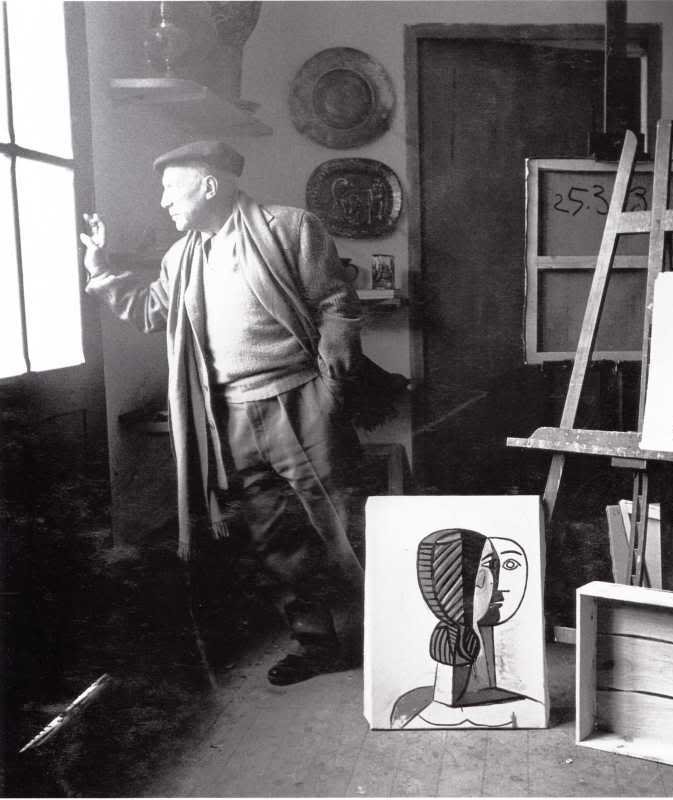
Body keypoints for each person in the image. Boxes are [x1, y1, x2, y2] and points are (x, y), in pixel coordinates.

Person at [81, 140, 365, 685]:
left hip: (299, 401)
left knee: (344, 524)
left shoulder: (289, 227)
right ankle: (316, 644)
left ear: (209, 185)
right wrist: (100, 270)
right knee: (274, 539)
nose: (163, 200)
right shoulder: (180, 256)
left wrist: (331, 385)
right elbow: (151, 311)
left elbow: (335, 304)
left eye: (171, 188)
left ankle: (391, 634)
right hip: (228, 416)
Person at [390, 528, 543, 728]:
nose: (497, 583)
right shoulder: (457, 640)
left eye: (506, 565)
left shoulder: (465, 636)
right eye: (488, 567)